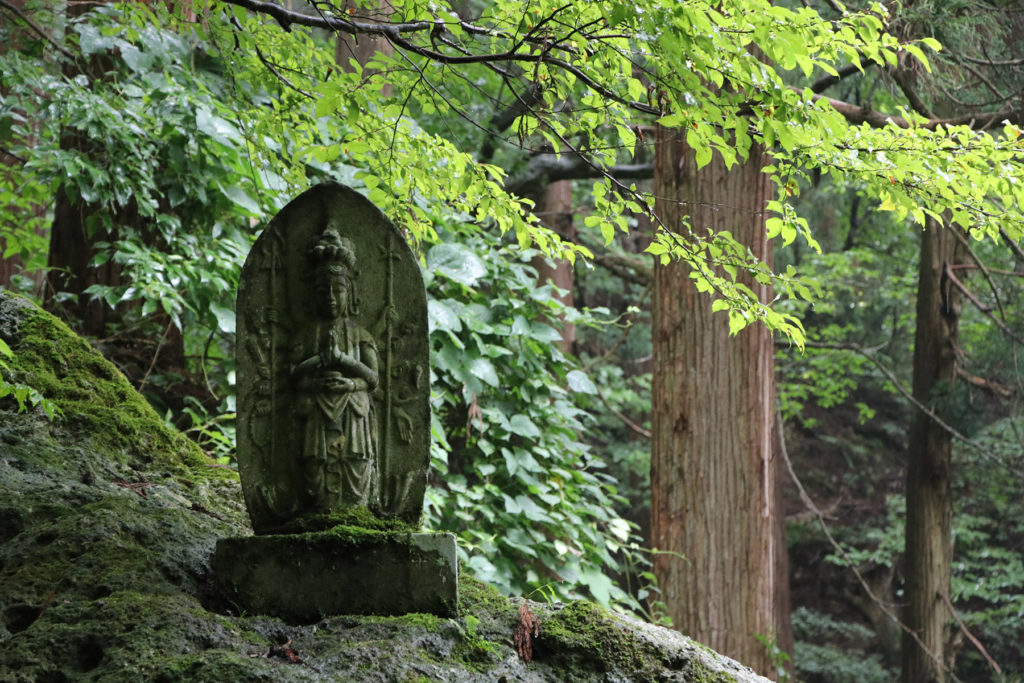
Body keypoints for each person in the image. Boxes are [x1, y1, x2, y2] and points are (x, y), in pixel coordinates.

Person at [292, 227, 380, 511]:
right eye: (323, 290)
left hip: (354, 411)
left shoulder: (361, 334)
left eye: (338, 290)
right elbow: (293, 375)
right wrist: (319, 362)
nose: (330, 297)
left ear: (349, 293)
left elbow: (373, 379)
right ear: (312, 295)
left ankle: (355, 511)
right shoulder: (306, 335)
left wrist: (344, 365)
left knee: (355, 465)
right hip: (316, 410)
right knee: (314, 469)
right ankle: (318, 511)